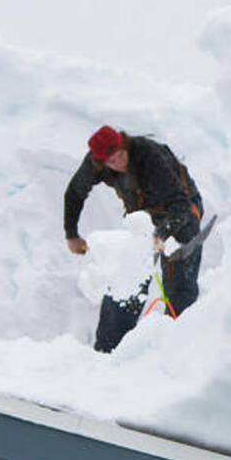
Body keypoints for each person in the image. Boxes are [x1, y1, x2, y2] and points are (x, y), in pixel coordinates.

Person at [64, 125, 206, 351]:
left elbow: (180, 205)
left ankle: (175, 349)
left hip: (182, 211)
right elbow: (74, 193)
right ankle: (108, 351)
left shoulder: (150, 155)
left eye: (121, 155)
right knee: (126, 279)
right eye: (111, 162)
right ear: (101, 162)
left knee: (179, 284)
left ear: (124, 144)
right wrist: (71, 233)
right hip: (142, 218)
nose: (119, 163)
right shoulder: (95, 163)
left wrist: (160, 235)